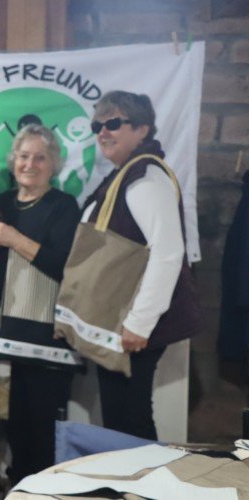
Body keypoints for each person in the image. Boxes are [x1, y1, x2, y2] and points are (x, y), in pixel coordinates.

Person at [76, 91, 198, 440]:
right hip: (121, 317)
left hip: (132, 321)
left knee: (130, 417)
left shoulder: (145, 178)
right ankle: (128, 488)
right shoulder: (124, 175)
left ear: (142, 129)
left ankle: (140, 491)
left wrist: (139, 324)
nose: (103, 132)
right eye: (97, 125)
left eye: (114, 123)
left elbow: (167, 253)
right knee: (120, 417)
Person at [0, 124, 81, 484]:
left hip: (47, 339)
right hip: (3, 335)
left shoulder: (63, 206)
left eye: (40, 157)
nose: (30, 164)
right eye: (23, 156)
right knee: (12, 429)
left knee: (43, 434)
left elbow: (63, 267)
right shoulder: (0, 203)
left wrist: (14, 238)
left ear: (54, 165)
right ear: (12, 161)